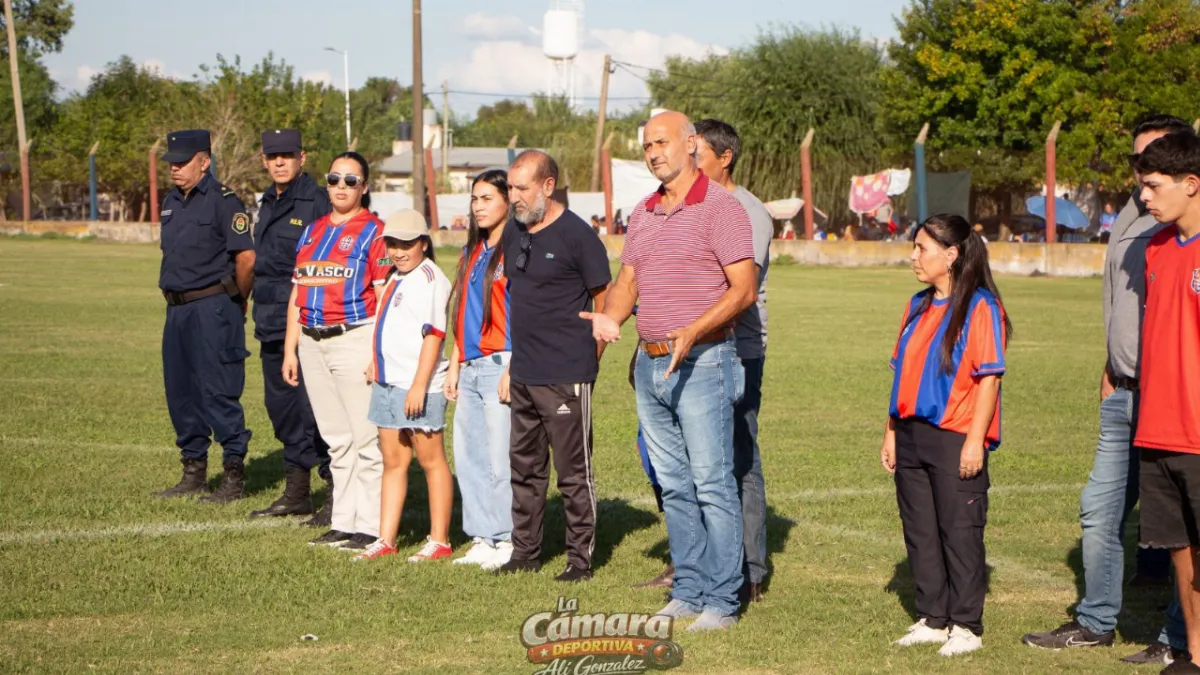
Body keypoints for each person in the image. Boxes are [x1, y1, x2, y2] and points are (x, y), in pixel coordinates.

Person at [1022, 115, 1192, 665]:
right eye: (1138, 166)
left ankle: (1177, 639)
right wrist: (1111, 364)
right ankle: (1095, 622)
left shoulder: (1176, 227)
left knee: (1182, 527)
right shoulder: (1132, 215)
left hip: (1173, 396)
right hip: (1124, 390)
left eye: (1154, 170)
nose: (1142, 179)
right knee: (1100, 508)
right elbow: (1124, 304)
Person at [583, 111, 757, 631]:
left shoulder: (721, 208)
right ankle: (688, 589)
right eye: (646, 146)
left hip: (705, 363)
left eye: (661, 142)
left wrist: (693, 331)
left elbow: (743, 289)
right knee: (675, 486)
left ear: (691, 144)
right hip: (650, 365)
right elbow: (628, 281)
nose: (653, 152)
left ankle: (723, 601)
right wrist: (608, 321)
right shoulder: (644, 211)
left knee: (711, 483)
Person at [882, 213, 1010, 657]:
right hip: (912, 435)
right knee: (920, 530)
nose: (914, 256)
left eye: (922, 248)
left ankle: (966, 625)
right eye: (914, 247)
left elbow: (990, 379)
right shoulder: (916, 304)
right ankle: (933, 617)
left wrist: (976, 440)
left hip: (955, 435)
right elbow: (901, 373)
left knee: (959, 530)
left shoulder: (980, 307)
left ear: (951, 255)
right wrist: (892, 432)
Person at [496, 150, 611, 583]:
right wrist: (512, 364)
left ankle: (579, 561)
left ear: (548, 185)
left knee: (572, 473)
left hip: (567, 376)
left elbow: (606, 299)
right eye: (511, 187)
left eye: (522, 188)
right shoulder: (514, 230)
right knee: (524, 469)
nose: (514, 197)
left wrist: (588, 360)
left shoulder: (578, 236)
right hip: (524, 373)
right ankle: (525, 552)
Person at [283, 151, 391, 550]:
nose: (341, 187)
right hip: (312, 340)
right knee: (336, 438)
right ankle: (343, 520)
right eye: (334, 179)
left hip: (353, 336)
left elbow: (382, 297)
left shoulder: (375, 230)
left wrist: (376, 353)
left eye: (350, 180)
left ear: (364, 186)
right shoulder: (312, 231)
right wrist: (291, 348)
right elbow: (299, 290)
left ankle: (370, 524)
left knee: (365, 438)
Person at [691, 118, 772, 602]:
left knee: (739, 457)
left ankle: (750, 570)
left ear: (725, 157)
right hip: (694, 348)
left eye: (695, 153)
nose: (687, 162)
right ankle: (698, 563)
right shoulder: (690, 204)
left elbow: (740, 291)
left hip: (737, 352)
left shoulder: (749, 212)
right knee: (695, 462)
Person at [153, 129, 255, 503]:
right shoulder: (170, 202)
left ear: (205, 161)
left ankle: (233, 474)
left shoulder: (224, 201)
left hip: (213, 307)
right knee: (181, 391)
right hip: (176, 309)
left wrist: (236, 300)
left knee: (218, 389)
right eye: (172, 163)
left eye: (182, 162)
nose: (175, 168)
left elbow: (246, 258)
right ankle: (193, 470)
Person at [1130, 131, 1200, 675]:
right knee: (1180, 550)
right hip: (1156, 429)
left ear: (1191, 184)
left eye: (1153, 187)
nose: (1145, 198)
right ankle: (1196, 653)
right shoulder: (1154, 248)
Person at [353, 210, 454, 563]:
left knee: (431, 460)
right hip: (387, 382)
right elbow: (391, 327)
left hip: (417, 386)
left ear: (423, 244)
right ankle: (386, 539)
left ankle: (439, 540)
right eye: (393, 244)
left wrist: (419, 386)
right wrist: (375, 362)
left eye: (406, 244)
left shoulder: (430, 279)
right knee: (393, 461)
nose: (398, 251)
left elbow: (433, 336)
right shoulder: (396, 277)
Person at [248, 129, 333, 523]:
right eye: (272, 156)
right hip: (269, 322)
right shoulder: (267, 202)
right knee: (281, 409)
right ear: (264, 160)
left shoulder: (316, 202)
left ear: (302, 157)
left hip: (304, 322)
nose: (279, 162)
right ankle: (297, 492)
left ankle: (336, 492)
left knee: (314, 412)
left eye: (286, 155)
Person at [444, 170, 516, 571]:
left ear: (508, 200)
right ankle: (481, 537)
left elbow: (525, 314)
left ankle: (506, 538)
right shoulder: (472, 251)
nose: (478, 206)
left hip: (499, 363)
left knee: (499, 459)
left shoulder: (516, 249)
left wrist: (514, 364)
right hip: (469, 366)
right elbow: (462, 315)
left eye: (487, 198)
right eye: (475, 199)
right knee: (469, 456)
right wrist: (454, 362)